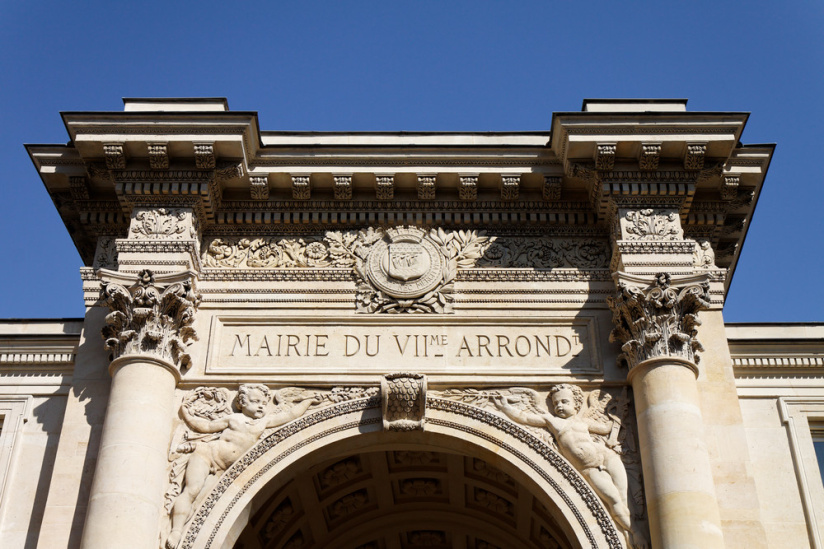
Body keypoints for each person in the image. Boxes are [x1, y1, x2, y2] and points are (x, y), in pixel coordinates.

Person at [166, 384, 320, 549]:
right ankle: (176, 531)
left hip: (222, 471)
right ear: (242, 404)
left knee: (200, 506)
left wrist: (308, 402)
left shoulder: (264, 422)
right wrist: (187, 416)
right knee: (192, 490)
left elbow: (289, 415)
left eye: (263, 402)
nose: (261, 405)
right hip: (207, 455)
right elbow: (207, 427)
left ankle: (182, 529)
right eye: (255, 401)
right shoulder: (234, 418)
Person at [494, 384, 646, 548]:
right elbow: (524, 418)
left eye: (564, 402)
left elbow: (606, 428)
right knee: (614, 500)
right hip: (589, 468)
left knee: (624, 497)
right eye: (556, 403)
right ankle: (635, 532)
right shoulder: (552, 421)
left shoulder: (583, 422)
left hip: (606, 456)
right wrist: (505, 407)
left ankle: (631, 531)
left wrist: (617, 415)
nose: (559, 406)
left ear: (576, 405)